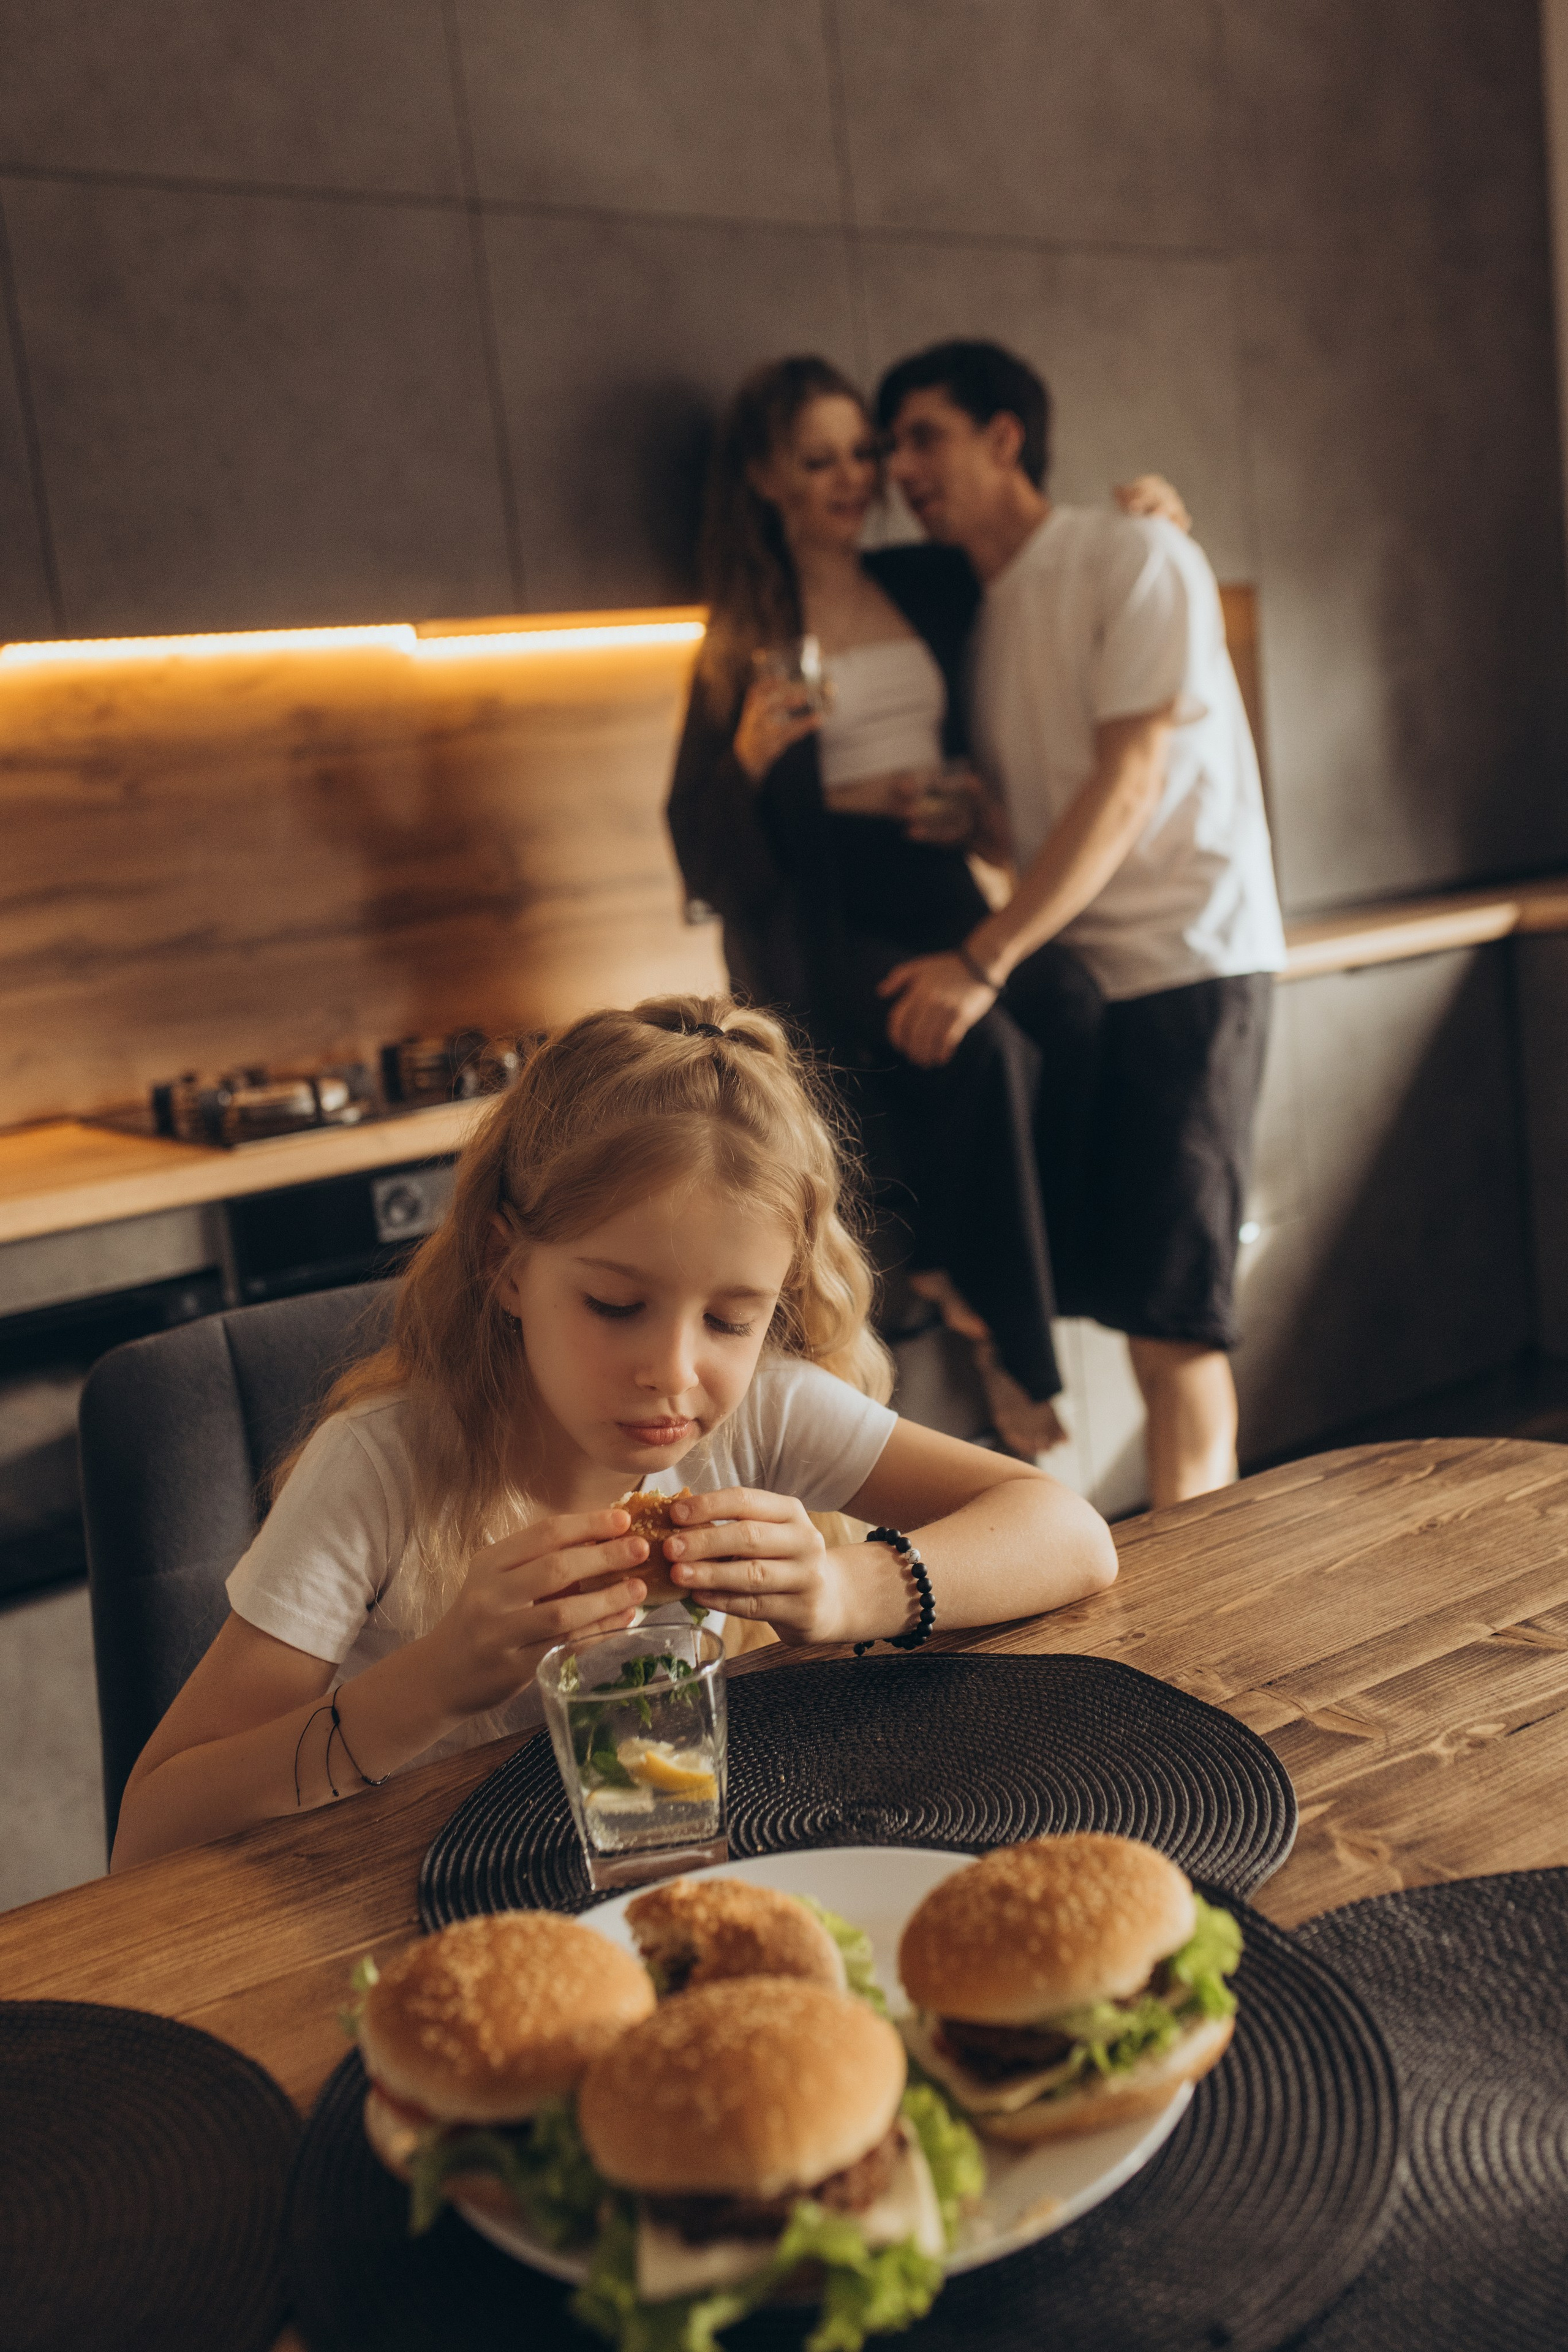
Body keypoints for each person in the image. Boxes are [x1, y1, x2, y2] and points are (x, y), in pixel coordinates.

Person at [110, 997, 1117, 1870]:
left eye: (731, 1319)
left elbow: (1070, 1533)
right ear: (508, 1265)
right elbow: (150, 1831)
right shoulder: (380, 1468)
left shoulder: (764, 1408)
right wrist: (433, 1681)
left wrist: (843, 1588)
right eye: (613, 1304)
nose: (674, 1372)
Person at [666, 356, 1185, 1458]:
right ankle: (1016, 1348)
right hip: (827, 914)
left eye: (867, 450)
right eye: (824, 458)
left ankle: (1014, 1254)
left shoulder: (931, 584)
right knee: (979, 1047)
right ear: (767, 476)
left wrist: (1145, 512)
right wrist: (754, 764)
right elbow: (699, 848)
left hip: (937, 877)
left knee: (1078, 1007)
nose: (860, 475)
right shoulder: (743, 628)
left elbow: (1038, 557)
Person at [873, 341, 1286, 1509]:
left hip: (1189, 966)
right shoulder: (988, 618)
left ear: (1007, 436)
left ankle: (1204, 1634)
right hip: (1088, 985)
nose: (904, 469)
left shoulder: (1140, 551)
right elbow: (1040, 829)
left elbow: (1130, 787)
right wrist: (976, 822)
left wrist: (980, 959)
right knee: (1118, 1302)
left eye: (925, 437)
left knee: (1175, 1330)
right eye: (893, 445)